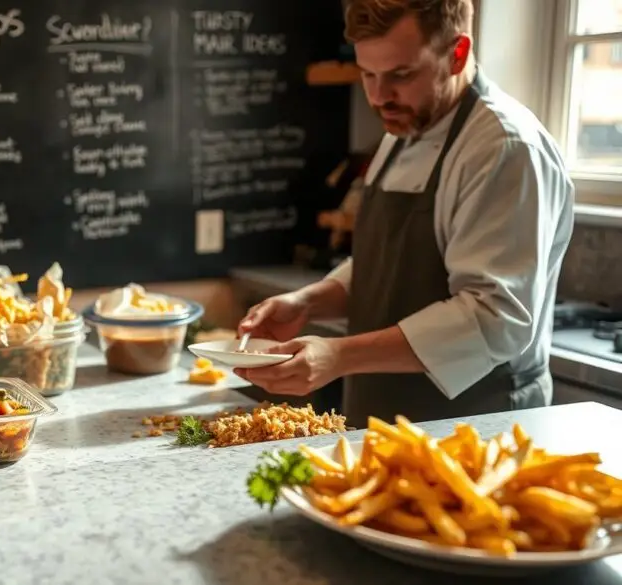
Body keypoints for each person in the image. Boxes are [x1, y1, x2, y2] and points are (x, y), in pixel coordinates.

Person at [235, 0, 575, 427]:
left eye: (401, 74)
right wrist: (307, 303)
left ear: (458, 53)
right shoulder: (407, 126)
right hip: (388, 423)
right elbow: (392, 266)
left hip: (474, 429)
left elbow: (493, 317)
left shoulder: (505, 148)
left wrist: (339, 355)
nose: (378, 97)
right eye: (368, 74)